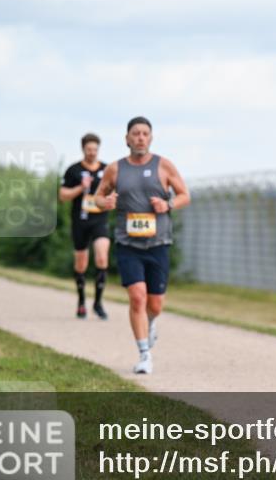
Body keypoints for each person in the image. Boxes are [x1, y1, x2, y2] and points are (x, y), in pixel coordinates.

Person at [94, 117, 190, 374]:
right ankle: (144, 354)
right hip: (128, 244)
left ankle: (151, 323)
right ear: (127, 138)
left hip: (159, 244)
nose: (140, 138)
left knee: (155, 304)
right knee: (137, 297)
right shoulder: (115, 169)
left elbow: (184, 195)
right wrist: (106, 202)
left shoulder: (164, 165)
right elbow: (98, 197)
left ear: (150, 138)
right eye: (135, 133)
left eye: (145, 133)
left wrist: (167, 205)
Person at [59, 133, 111, 319]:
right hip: (80, 222)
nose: (92, 153)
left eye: (95, 149)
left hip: (100, 221)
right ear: (83, 149)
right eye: (89, 149)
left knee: (102, 257)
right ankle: (81, 301)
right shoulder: (73, 170)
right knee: (81, 262)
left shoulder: (107, 170)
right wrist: (81, 187)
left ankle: (98, 302)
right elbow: (63, 195)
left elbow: (116, 191)